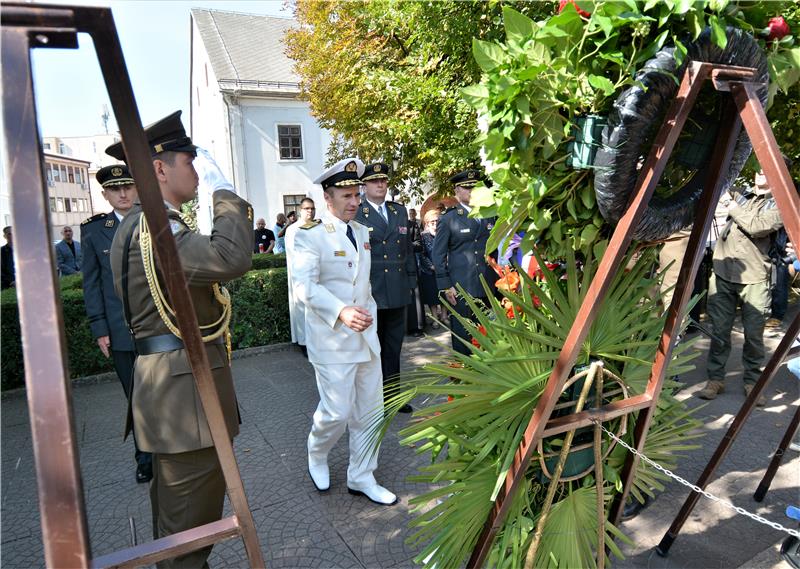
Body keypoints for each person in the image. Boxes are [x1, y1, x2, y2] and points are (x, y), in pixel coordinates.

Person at [106, 110, 253, 567]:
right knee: (188, 536)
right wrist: (224, 192)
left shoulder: (143, 223)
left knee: (178, 523)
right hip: (184, 401)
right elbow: (229, 257)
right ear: (159, 168)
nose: (195, 168)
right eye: (188, 160)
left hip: (173, 392)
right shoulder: (155, 226)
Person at [294, 157, 396, 506]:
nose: (354, 201)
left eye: (356, 194)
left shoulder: (363, 232)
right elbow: (304, 287)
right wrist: (341, 311)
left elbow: (362, 285)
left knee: (370, 411)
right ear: (328, 197)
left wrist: (368, 315)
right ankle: (317, 452)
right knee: (337, 411)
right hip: (332, 339)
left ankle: (361, 475)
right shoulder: (311, 236)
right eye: (346, 195)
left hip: (366, 337)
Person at [81, 164, 153, 483]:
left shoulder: (153, 219)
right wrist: (100, 328)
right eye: (115, 189)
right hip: (121, 330)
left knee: (167, 390)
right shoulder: (94, 231)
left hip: (158, 324)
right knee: (135, 397)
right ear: (105, 194)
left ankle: (173, 450)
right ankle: (146, 456)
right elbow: (91, 283)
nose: (123, 194)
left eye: (127, 186)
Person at [699, 169, 785, 406]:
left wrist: (730, 204)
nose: (760, 174)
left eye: (767, 171)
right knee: (719, 331)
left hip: (755, 277)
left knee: (754, 335)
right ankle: (715, 379)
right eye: (759, 169)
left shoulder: (779, 205)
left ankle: (753, 383)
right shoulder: (742, 196)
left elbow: (756, 227)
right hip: (724, 273)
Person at [354, 162, 416, 414]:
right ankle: (372, 400)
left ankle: (392, 398)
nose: (380, 184)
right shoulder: (358, 212)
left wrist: (411, 281)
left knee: (393, 348)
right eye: (374, 181)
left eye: (383, 180)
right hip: (372, 290)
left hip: (398, 288)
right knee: (372, 349)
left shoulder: (399, 211)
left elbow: (408, 250)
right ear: (364, 185)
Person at [432, 169, 496, 356]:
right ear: (457, 191)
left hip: (488, 284)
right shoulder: (449, 218)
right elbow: (438, 254)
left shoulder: (489, 213)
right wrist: (445, 285)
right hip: (461, 288)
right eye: (467, 188)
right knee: (463, 335)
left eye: (475, 187)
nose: (472, 191)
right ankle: (463, 375)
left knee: (489, 334)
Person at [285, 197, 318, 352]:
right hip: (300, 275)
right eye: (306, 209)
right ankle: (303, 343)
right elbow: (295, 255)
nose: (310, 211)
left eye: (312, 208)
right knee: (301, 309)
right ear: (300, 210)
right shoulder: (293, 229)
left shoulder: (318, 227)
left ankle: (315, 341)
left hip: (317, 275)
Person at [419, 209, 445, 329]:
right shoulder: (423, 236)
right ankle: (435, 318)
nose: (435, 223)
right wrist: (431, 265)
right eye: (432, 221)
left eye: (437, 221)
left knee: (445, 293)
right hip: (429, 271)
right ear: (427, 223)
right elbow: (421, 254)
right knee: (432, 296)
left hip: (444, 269)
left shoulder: (444, 233)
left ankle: (444, 316)